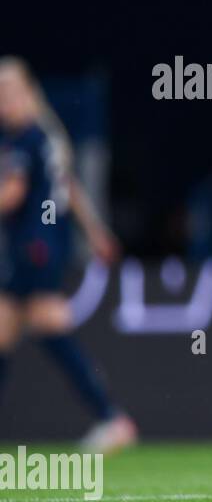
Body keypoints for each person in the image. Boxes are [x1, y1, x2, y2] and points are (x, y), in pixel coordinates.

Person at [0, 57, 136, 452]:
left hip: (33, 246)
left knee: (47, 324)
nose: (4, 101)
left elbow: (13, 193)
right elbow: (69, 187)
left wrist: (92, 232)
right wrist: (95, 232)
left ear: (28, 92)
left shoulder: (26, 137)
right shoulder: (46, 134)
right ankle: (111, 416)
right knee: (13, 330)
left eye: (10, 92)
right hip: (44, 245)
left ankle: (112, 417)